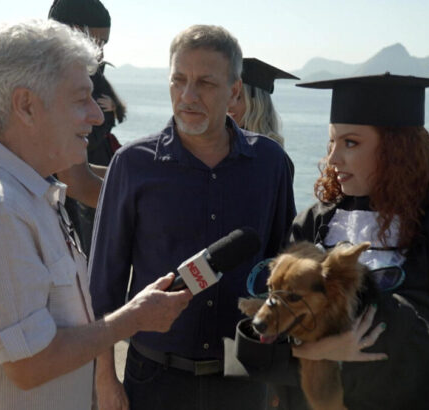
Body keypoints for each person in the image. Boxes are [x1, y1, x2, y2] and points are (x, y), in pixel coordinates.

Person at [0, 19, 192, 410]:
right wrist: (133, 318)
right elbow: (30, 364)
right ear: (26, 106)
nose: (97, 115)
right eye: (80, 99)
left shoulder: (27, 191)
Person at [280, 73, 429, 408]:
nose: (333, 159)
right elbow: (270, 330)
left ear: (396, 151)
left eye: (350, 143)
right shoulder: (314, 225)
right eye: (331, 143)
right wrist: (318, 350)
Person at [89, 24, 296, 410]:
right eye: (178, 80)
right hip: (153, 380)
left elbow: (282, 274)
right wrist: (105, 380)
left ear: (234, 91)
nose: (187, 96)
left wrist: (278, 378)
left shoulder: (270, 164)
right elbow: (104, 285)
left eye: (204, 83)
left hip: (242, 379)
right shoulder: (132, 165)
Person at [49, 0, 128, 256]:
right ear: (74, 31)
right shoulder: (55, 80)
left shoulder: (43, 73)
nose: (101, 54)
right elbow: (76, 180)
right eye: (98, 42)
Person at [228, 57, 298, 148]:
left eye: (238, 97)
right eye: (226, 95)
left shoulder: (269, 153)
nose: (228, 104)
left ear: (257, 104)